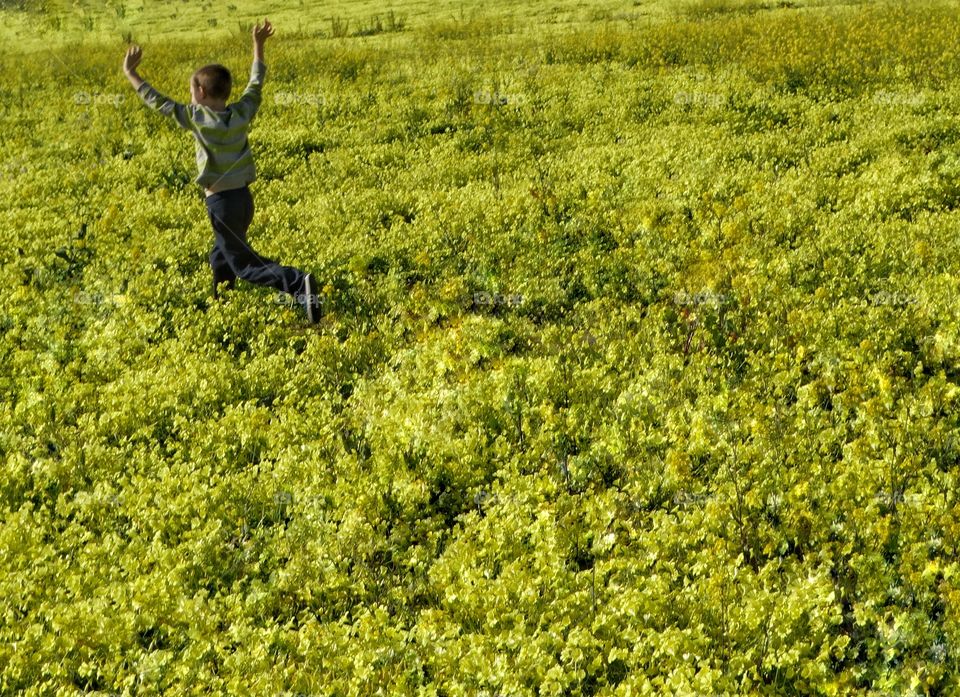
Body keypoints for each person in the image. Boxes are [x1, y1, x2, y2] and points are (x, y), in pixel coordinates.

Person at [122, 18, 321, 323]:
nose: (190, 97)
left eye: (191, 91)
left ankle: (296, 282)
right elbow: (256, 83)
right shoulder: (241, 111)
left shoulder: (196, 118)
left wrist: (131, 73)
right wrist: (258, 45)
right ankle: (222, 305)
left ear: (200, 92)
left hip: (221, 204)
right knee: (221, 253)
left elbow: (158, 102)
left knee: (242, 263)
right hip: (243, 201)